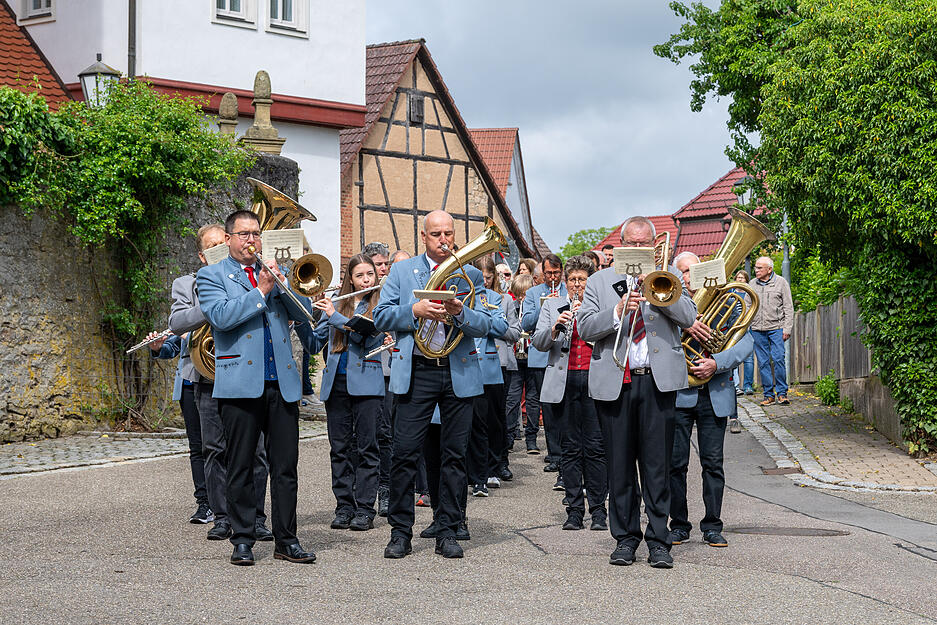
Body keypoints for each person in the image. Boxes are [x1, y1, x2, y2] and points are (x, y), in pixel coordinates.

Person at [196, 210, 317, 566]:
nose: (251, 241)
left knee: (285, 467)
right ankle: (243, 539)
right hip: (238, 383)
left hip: (281, 382)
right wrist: (262, 289)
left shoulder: (275, 273)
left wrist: (286, 284)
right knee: (241, 465)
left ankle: (286, 539)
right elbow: (221, 316)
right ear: (230, 239)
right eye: (244, 234)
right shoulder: (211, 275)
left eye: (256, 234)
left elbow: (305, 315)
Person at [578, 216, 697, 569]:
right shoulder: (600, 281)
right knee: (619, 466)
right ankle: (626, 539)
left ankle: (660, 541)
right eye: (634, 243)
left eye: (647, 245)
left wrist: (659, 294)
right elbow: (584, 327)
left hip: (657, 381)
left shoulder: (668, 277)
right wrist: (615, 311)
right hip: (617, 380)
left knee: (658, 465)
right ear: (622, 245)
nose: (641, 249)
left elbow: (689, 316)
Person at [373, 210, 492, 560]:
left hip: (457, 371)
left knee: (454, 456)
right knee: (405, 453)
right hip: (419, 369)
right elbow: (380, 316)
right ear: (423, 237)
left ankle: (448, 529)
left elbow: (485, 325)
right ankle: (400, 532)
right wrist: (415, 310)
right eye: (436, 233)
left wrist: (459, 313)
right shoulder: (401, 271)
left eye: (448, 233)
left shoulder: (469, 273)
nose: (443, 239)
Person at [168, 224, 272, 543]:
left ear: (228, 243)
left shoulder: (246, 275)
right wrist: (214, 304)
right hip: (206, 376)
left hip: (243, 373)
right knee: (214, 447)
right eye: (209, 247)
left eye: (220, 243)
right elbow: (178, 322)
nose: (216, 249)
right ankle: (223, 515)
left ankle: (255, 516)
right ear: (202, 254)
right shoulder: (188, 283)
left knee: (255, 450)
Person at [669, 252, 753, 548]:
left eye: (693, 271)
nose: (688, 277)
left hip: (714, 390)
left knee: (713, 464)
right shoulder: (669, 303)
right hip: (679, 392)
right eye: (682, 272)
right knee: (675, 464)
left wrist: (716, 362)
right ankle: (678, 524)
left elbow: (747, 342)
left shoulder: (726, 301)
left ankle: (713, 525)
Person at [300, 254, 385, 532]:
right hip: (336, 383)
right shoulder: (337, 303)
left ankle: (364, 508)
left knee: (367, 448)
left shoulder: (380, 304)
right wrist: (300, 318)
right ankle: (344, 505)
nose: (366, 280)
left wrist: (334, 316)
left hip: (367, 385)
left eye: (369, 275)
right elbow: (314, 345)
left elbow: (365, 335)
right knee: (339, 448)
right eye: (360, 276)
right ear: (351, 279)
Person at [531, 255, 608, 532]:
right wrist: (555, 327)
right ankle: (574, 509)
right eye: (573, 280)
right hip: (564, 381)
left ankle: (599, 510)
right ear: (566, 281)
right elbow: (538, 342)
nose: (577, 285)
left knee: (596, 448)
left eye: (582, 280)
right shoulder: (553, 305)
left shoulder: (601, 307)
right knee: (570, 449)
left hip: (594, 378)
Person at [146, 331, 211, 525]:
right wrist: (158, 348)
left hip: (216, 378)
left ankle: (226, 502)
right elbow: (172, 348)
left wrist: (191, 335)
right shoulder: (183, 308)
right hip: (188, 382)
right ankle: (204, 503)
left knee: (220, 445)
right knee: (197, 447)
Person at [520, 254, 566, 484]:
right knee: (546, 406)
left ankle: (566, 454)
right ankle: (554, 454)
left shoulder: (569, 290)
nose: (553, 277)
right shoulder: (532, 293)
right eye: (548, 273)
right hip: (540, 357)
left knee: (564, 407)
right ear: (542, 274)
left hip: (564, 355)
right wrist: (546, 304)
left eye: (556, 273)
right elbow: (526, 323)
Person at [467, 256, 510, 496]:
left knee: (491, 422)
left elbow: (501, 328)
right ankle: (474, 473)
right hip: (467, 365)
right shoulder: (465, 296)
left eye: (488, 276)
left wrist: (478, 321)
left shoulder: (495, 298)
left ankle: (490, 469)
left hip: (489, 370)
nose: (484, 280)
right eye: (480, 276)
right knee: (471, 425)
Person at [750, 256, 794, 406]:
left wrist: (787, 328)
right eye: (755, 268)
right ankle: (768, 395)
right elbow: (747, 307)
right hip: (756, 329)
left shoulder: (781, 282)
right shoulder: (751, 284)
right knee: (763, 363)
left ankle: (782, 393)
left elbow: (788, 307)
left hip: (776, 328)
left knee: (778, 359)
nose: (756, 270)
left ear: (769, 269)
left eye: (759, 268)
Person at [503, 274, 534, 447]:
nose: (522, 298)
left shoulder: (532, 307)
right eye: (519, 294)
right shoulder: (512, 306)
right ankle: (509, 436)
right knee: (512, 399)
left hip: (531, 354)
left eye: (526, 294)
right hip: (515, 356)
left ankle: (531, 437)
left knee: (532, 398)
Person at [733, 270, 755, 398]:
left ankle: (748, 385)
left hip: (747, 327)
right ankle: (735, 386)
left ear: (746, 280)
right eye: (738, 277)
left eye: (743, 278)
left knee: (748, 358)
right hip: (733, 328)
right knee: (733, 357)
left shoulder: (750, 294)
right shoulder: (730, 293)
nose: (740, 280)